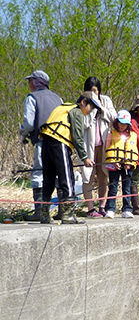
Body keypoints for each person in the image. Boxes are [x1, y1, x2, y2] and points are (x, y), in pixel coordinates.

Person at [39, 91, 101, 224]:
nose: (92, 111)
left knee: (48, 178)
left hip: (46, 141)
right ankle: (67, 214)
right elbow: (78, 136)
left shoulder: (63, 107)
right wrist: (85, 157)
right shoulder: (77, 111)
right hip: (60, 142)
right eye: (92, 107)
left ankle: (44, 214)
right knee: (67, 178)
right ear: (83, 102)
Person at [19, 70, 63, 221]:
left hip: (42, 141)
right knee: (58, 175)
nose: (29, 84)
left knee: (39, 173)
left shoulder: (32, 98)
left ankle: (40, 212)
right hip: (60, 144)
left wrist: (23, 134)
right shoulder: (58, 98)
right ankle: (63, 211)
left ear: (35, 81)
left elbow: (29, 123)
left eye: (30, 80)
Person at [81, 76, 117, 218]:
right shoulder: (82, 103)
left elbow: (114, 117)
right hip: (88, 146)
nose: (93, 94)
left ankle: (102, 206)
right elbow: (83, 124)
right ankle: (91, 209)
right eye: (90, 91)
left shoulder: (106, 100)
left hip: (103, 145)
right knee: (87, 176)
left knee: (103, 176)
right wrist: (91, 109)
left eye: (95, 91)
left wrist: (101, 108)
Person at [104, 110, 138, 218]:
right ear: (116, 122)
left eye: (125, 123)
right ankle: (110, 209)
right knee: (113, 187)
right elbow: (108, 148)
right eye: (120, 123)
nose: (122, 126)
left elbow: (134, 150)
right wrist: (113, 161)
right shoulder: (111, 134)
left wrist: (129, 163)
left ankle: (127, 209)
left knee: (127, 188)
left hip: (127, 166)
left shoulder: (133, 135)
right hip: (114, 165)